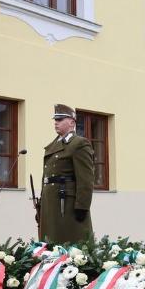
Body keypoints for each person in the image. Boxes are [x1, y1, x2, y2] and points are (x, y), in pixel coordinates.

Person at [39, 104, 94, 244]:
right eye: (55, 120)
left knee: (69, 243)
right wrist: (41, 204)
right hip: (51, 203)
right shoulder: (53, 145)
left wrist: (82, 206)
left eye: (60, 119)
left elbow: (86, 179)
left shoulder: (79, 144)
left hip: (67, 205)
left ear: (71, 122)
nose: (56, 122)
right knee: (50, 243)